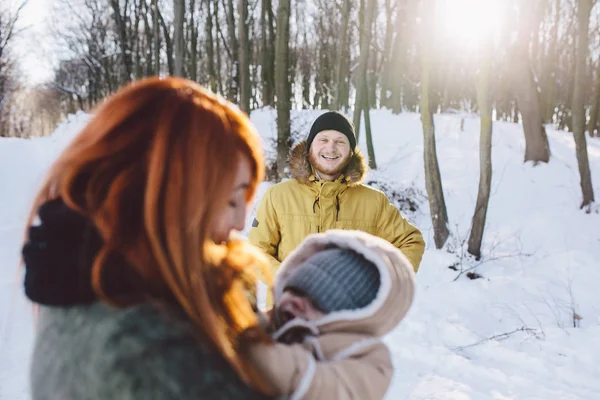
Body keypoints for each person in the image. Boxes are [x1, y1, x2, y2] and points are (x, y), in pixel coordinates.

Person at [22, 76, 276, 399]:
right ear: (168, 194)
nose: (241, 222)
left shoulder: (93, 283)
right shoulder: (145, 354)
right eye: (230, 200)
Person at [248, 111, 425, 279]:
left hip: (352, 310)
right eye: (323, 139)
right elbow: (255, 251)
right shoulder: (278, 196)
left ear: (350, 151)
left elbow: (411, 241)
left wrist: (382, 281)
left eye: (340, 141)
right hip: (290, 308)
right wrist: (289, 278)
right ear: (310, 147)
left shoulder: (374, 201)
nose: (331, 148)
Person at [248, 229, 416, 399]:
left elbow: (325, 388)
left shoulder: (369, 358)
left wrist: (258, 352)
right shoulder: (271, 320)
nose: (297, 302)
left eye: (319, 300)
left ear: (351, 316)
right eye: (295, 289)